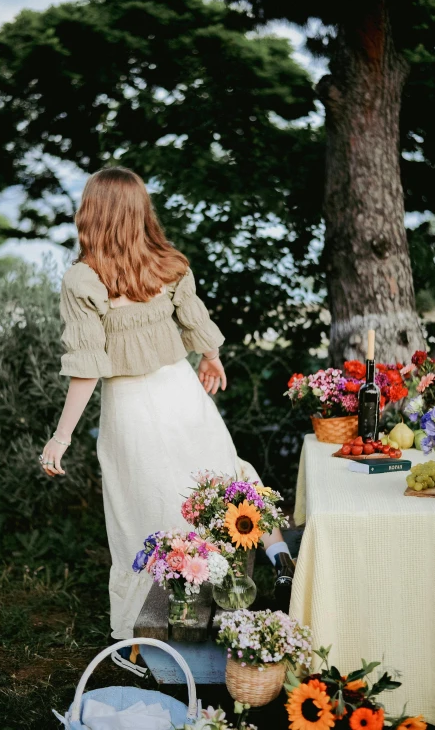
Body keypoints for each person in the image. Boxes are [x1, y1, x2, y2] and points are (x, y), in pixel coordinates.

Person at [40, 166, 294, 639]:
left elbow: (86, 365)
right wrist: (211, 359)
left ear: (90, 213)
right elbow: (195, 318)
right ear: (141, 212)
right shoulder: (169, 263)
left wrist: (61, 436)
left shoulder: (82, 279)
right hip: (183, 393)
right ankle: (258, 573)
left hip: (133, 408)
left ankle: (157, 623)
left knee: (146, 509)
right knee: (220, 480)